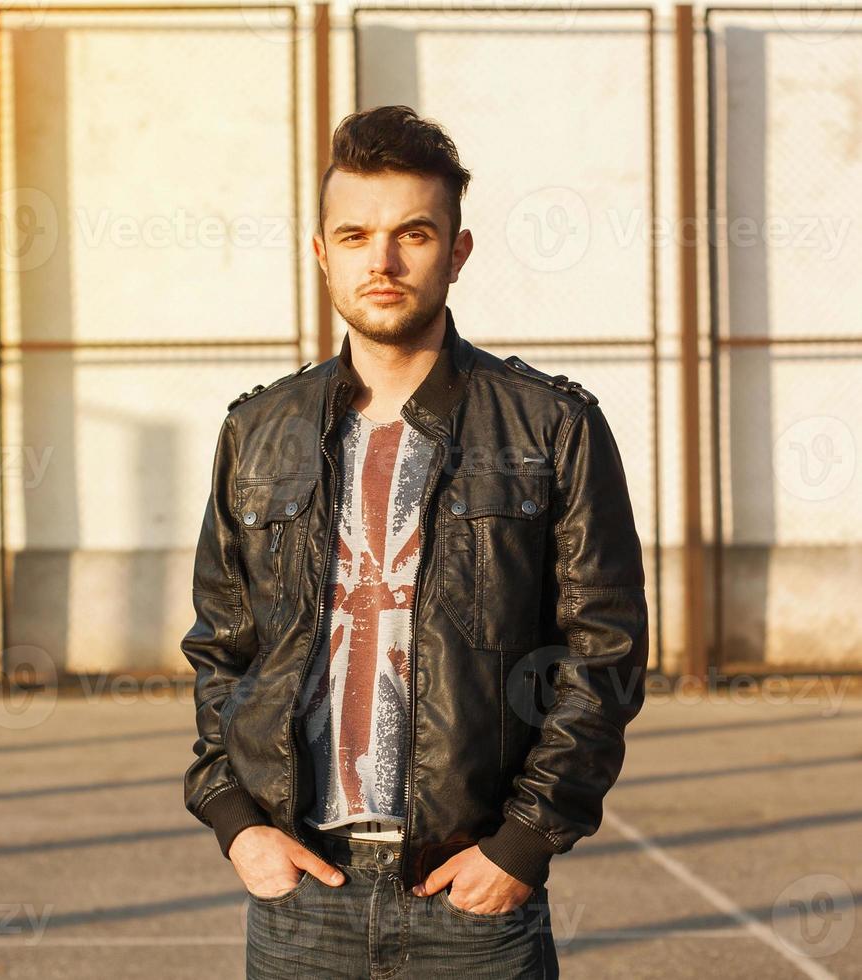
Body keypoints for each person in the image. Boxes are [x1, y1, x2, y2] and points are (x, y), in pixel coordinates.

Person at [181, 104, 649, 979]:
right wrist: (236, 821)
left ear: (457, 252)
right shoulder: (259, 431)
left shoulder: (552, 427)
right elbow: (222, 648)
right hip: (300, 892)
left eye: (414, 234)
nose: (383, 261)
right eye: (355, 234)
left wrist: (524, 842)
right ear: (322, 252)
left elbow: (606, 653)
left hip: (470, 894)